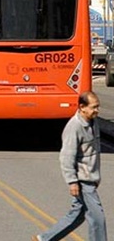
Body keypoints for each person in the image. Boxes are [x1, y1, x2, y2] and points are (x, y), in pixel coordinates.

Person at [34, 92, 107, 241]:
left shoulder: (94, 122)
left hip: (90, 178)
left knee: (77, 215)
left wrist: (96, 177)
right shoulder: (74, 127)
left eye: (98, 107)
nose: (97, 110)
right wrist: (72, 181)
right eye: (94, 107)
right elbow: (66, 157)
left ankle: (44, 239)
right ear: (82, 107)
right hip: (82, 180)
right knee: (98, 219)